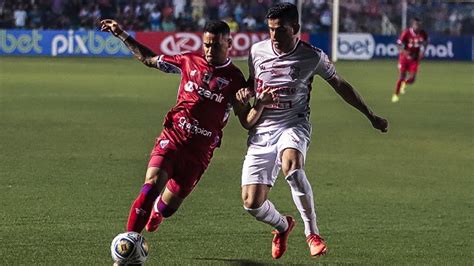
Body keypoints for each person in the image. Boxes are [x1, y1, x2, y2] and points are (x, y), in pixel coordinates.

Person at [235, 3, 389, 259]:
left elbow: (340, 84)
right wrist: (248, 92)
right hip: (262, 129)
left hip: (294, 123)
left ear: (295, 28)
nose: (274, 35)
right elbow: (254, 81)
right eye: (270, 29)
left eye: (280, 30)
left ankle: (312, 234)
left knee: (292, 167)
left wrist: (370, 115)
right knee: (251, 203)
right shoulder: (256, 51)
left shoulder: (312, 56)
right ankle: (283, 226)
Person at [100, 19, 249, 238]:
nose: (209, 50)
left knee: (168, 208)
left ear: (229, 43)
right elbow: (149, 59)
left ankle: (158, 213)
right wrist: (122, 34)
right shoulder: (189, 61)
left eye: (216, 45)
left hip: (199, 152)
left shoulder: (236, 79)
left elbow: (245, 119)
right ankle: (129, 243)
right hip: (173, 136)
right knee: (150, 187)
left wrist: (254, 102)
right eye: (206, 44)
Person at [392, 18, 428, 103]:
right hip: (404, 58)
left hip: (414, 59)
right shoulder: (406, 33)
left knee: (412, 79)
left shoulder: (423, 33)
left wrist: (422, 52)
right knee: (401, 76)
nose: (418, 27)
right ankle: (396, 95)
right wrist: (405, 52)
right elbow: (398, 45)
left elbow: (425, 43)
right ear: (413, 25)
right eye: (417, 25)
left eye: (420, 25)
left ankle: (404, 83)